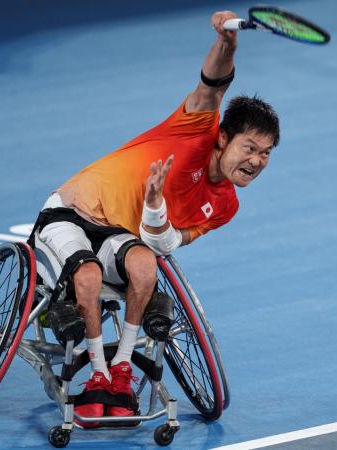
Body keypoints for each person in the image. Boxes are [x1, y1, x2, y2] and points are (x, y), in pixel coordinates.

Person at [33, 10, 280, 426]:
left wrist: (152, 203)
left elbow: (163, 243)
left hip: (117, 234)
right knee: (89, 276)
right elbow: (212, 85)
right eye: (250, 147)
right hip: (70, 212)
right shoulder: (196, 129)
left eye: (266, 154)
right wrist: (227, 43)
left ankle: (121, 372)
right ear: (222, 138)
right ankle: (96, 373)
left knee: (147, 267)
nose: (256, 160)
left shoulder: (225, 205)